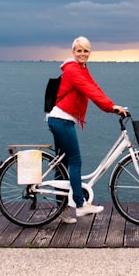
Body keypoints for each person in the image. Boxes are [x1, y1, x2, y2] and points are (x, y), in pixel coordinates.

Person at [46, 36, 127, 223]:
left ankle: (62, 209)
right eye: (79, 51)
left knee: (63, 165)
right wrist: (110, 107)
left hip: (59, 119)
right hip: (62, 120)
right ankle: (80, 205)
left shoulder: (81, 69)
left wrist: (112, 105)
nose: (82, 54)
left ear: (90, 53)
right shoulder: (73, 70)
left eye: (86, 51)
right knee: (75, 161)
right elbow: (89, 91)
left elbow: (94, 87)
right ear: (73, 52)